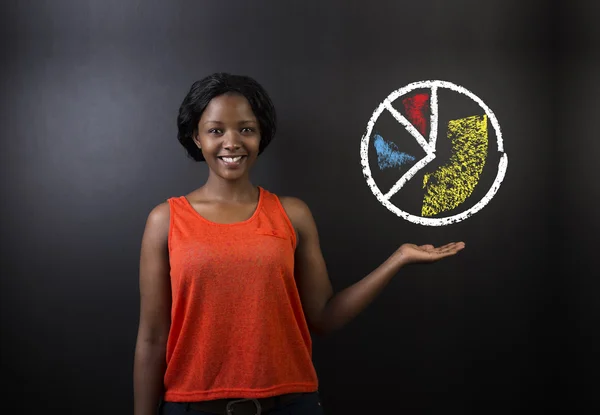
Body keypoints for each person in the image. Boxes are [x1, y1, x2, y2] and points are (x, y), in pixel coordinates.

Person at [133, 73, 465, 415]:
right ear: (196, 137)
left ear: (261, 136)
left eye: (246, 129)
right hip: (191, 407)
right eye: (216, 130)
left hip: (291, 406)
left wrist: (398, 259)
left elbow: (323, 317)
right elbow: (152, 338)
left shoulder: (292, 214)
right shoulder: (166, 220)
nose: (232, 142)